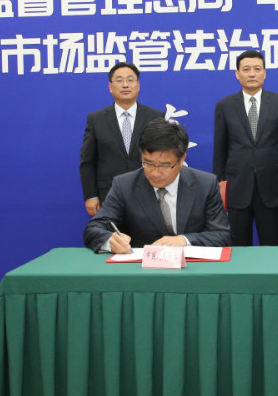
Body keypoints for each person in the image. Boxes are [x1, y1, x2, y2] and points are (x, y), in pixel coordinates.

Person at [84, 119, 230, 253]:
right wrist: (110, 241)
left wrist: (184, 240)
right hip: (142, 268)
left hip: (193, 267)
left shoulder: (205, 184)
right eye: (148, 163)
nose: (155, 173)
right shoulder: (124, 185)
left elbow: (221, 235)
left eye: (164, 165)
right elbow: (93, 229)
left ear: (181, 159)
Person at [213, 49, 278, 246]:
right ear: (237, 74)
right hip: (236, 188)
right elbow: (220, 151)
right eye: (246, 69)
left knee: (272, 247)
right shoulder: (224, 105)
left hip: (272, 187)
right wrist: (220, 189)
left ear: (264, 73)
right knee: (238, 248)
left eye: (257, 69)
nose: (252, 74)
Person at [79, 62, 165, 217]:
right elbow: (88, 162)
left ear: (138, 85)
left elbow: (163, 157)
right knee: (114, 232)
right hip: (109, 194)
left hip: (148, 191)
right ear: (110, 87)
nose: (125, 85)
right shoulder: (96, 119)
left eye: (130, 80)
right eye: (119, 80)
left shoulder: (155, 117)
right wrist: (91, 196)